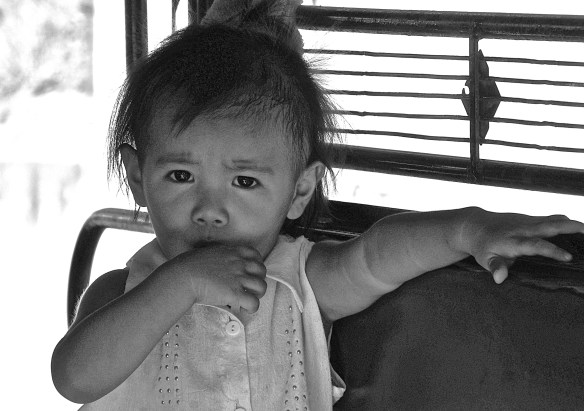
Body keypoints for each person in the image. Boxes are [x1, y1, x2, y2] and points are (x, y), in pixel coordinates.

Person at [51, 0, 584, 409]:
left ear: (299, 192)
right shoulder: (122, 292)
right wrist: (180, 283)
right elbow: (74, 378)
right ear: (138, 178)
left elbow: (375, 256)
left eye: (245, 181)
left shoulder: (298, 282)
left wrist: (467, 229)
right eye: (181, 176)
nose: (210, 209)